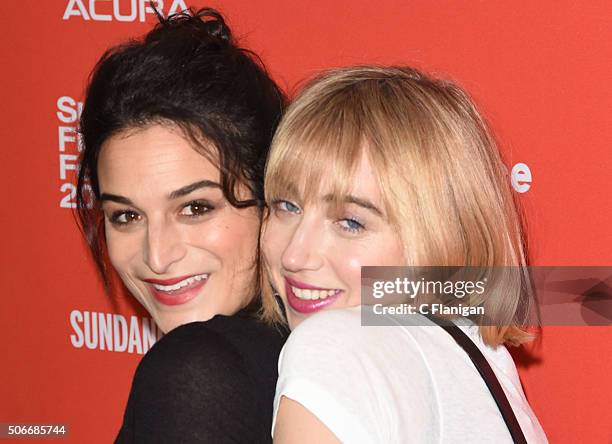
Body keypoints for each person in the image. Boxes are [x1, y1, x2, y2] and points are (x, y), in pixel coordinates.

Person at [261, 66, 547, 442]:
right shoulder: (487, 366)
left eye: (350, 222)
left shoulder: (333, 346)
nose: (295, 255)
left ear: (437, 235)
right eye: (286, 206)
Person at [76, 8, 287, 442]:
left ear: (271, 199)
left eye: (195, 208)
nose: (157, 255)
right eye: (127, 216)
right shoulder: (323, 352)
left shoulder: (194, 371)